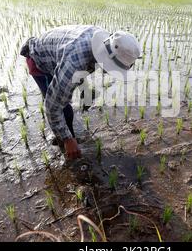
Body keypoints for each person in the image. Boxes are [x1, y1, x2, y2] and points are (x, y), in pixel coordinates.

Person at [20, 25, 141, 160]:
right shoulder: (72, 64)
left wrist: (86, 89)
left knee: (73, 90)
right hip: (39, 61)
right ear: (107, 57)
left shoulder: (106, 43)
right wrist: (68, 139)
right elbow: (52, 107)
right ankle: (68, 145)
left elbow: (85, 63)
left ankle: (69, 137)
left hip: (63, 54)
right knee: (64, 108)